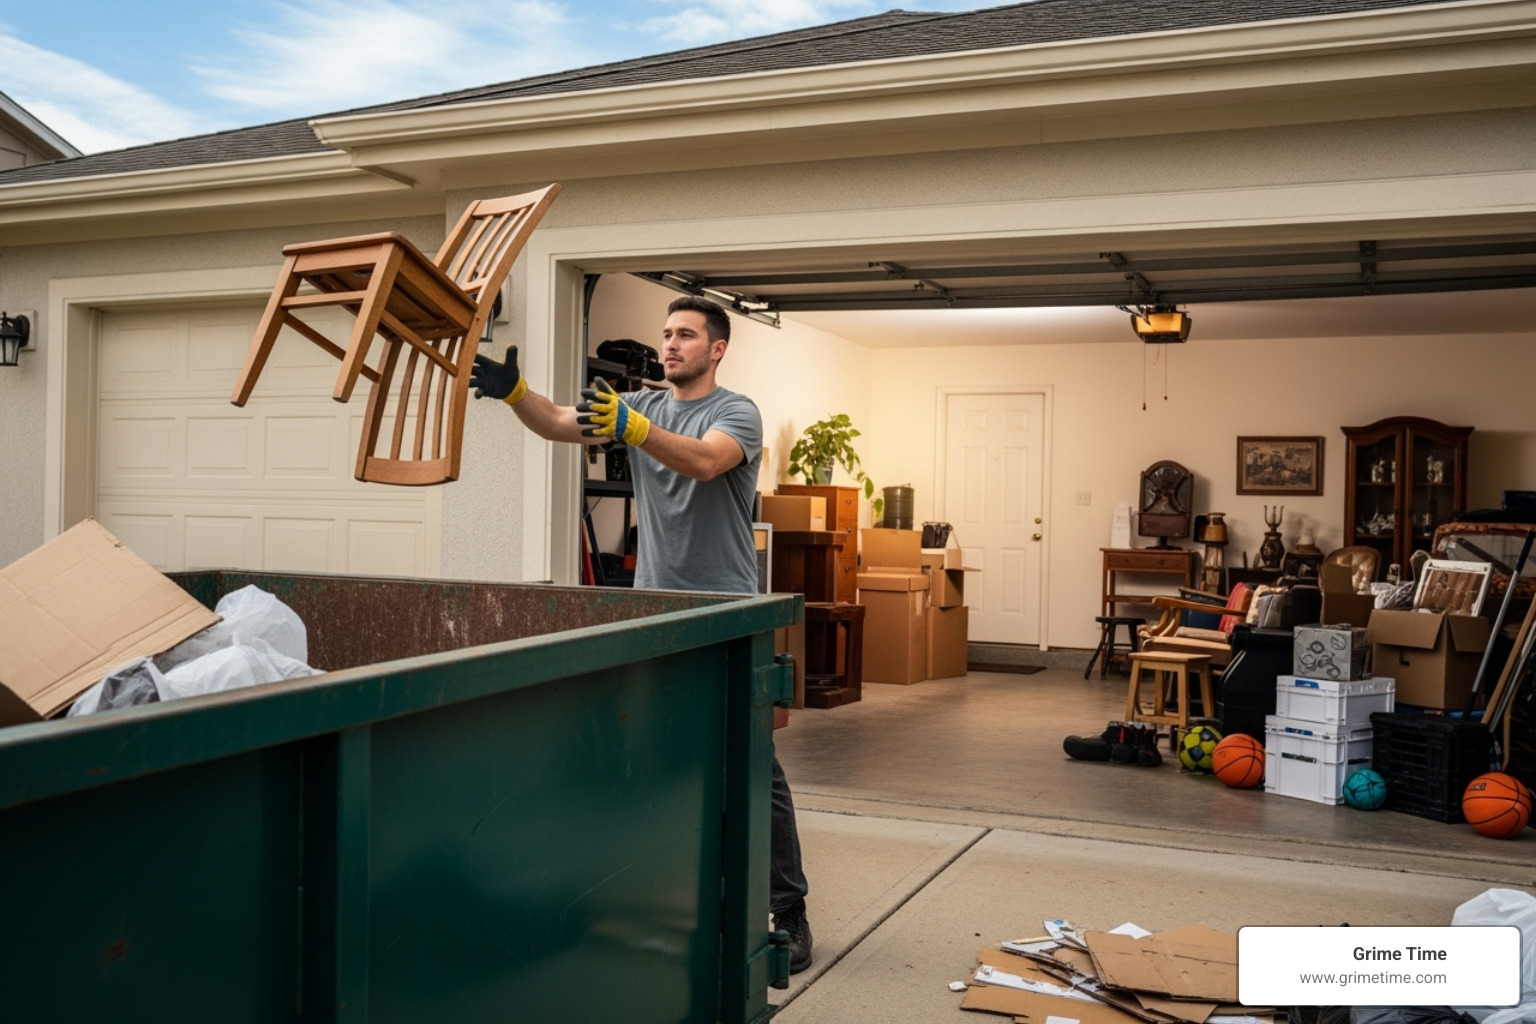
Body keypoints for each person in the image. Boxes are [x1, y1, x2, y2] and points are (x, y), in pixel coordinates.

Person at [469, 294, 814, 973]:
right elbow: (559, 424)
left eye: (686, 335)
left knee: (753, 770)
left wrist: (631, 427)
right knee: (651, 762)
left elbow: (705, 462)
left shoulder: (733, 411)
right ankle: (657, 900)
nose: (671, 344)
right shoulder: (647, 409)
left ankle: (788, 914)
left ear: (717, 349)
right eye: (667, 334)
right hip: (656, 617)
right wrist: (517, 395)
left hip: (725, 617)